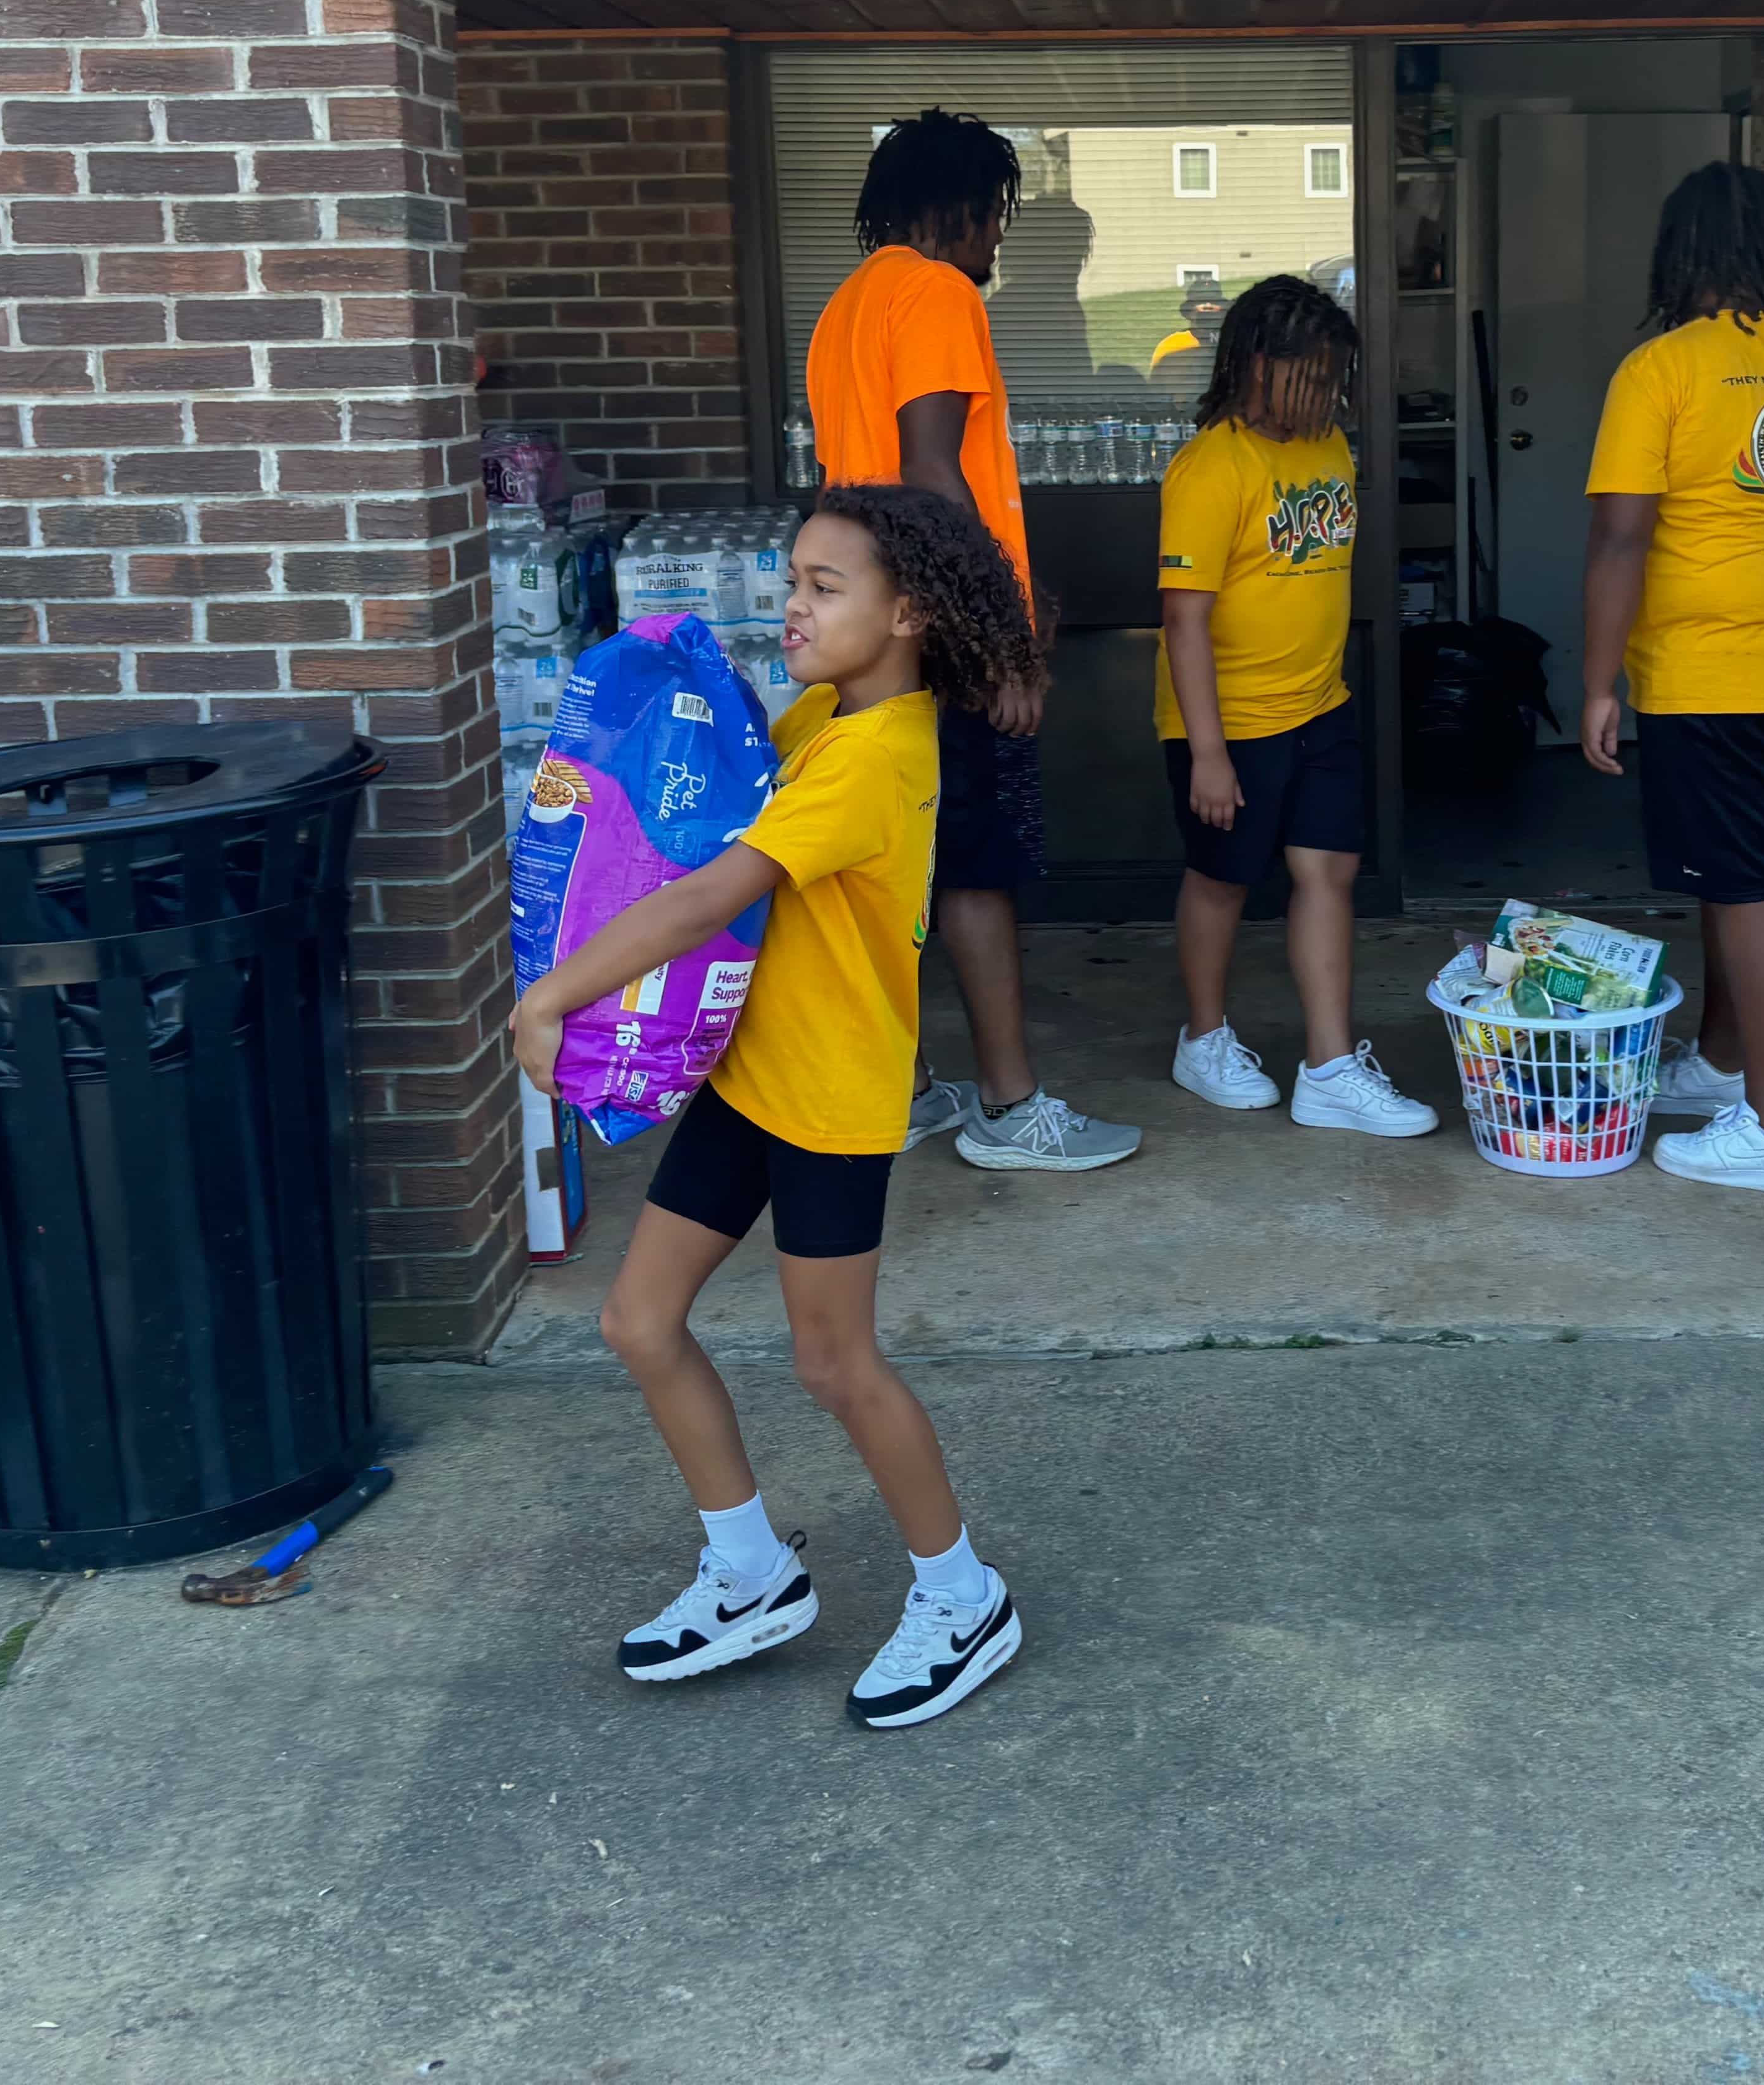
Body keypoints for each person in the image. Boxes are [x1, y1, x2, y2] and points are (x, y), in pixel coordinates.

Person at [512, 484, 1041, 1729]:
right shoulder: (821, 714)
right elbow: (710, 785)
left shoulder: (874, 756)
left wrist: (551, 999)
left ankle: (963, 1595)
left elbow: (709, 896)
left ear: (908, 612)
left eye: (822, 587)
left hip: (831, 1103)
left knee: (835, 1363)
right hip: (751, 1079)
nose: (792, 608)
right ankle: (749, 1570)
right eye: (793, 580)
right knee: (641, 1323)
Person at [805, 110, 1140, 1174]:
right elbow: (934, 472)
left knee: (896, 864)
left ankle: (898, 1093)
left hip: (872, 627)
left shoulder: (844, 307)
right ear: (958, 209)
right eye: (995, 216)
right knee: (978, 867)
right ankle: (1010, 1107)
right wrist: (1000, 640)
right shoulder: (938, 292)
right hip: (939, 626)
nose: (997, 242)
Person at [1576, 162, 1764, 1197]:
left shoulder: (1661, 368)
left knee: (1749, 890)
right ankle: (1723, 1066)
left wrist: (1597, 682)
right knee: (1738, 875)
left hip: (1710, 663)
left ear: (1682, 253)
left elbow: (1620, 540)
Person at [1156, 273, 1437, 1138]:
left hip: (1321, 706)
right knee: (1223, 880)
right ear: (1254, 364)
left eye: (1334, 380)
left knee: (1330, 873)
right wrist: (1208, 750)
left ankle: (1329, 1064)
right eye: (1309, 378)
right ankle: (1202, 1041)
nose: (1325, 396)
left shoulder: (1328, 450)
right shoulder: (1213, 465)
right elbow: (1182, 617)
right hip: (1231, 722)